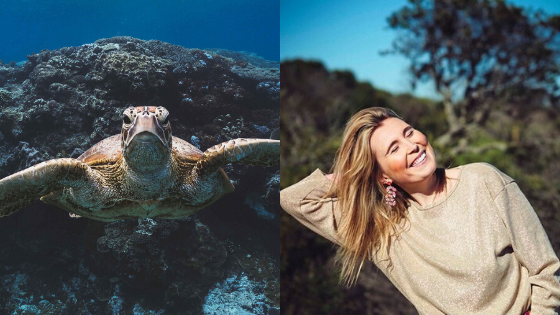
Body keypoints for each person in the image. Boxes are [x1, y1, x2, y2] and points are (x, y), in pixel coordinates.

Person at [280, 107, 560, 314]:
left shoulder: (482, 180)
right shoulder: (381, 229)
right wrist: (352, 175)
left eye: (409, 132)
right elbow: (294, 200)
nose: (412, 146)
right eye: (394, 148)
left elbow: (546, 270)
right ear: (381, 175)